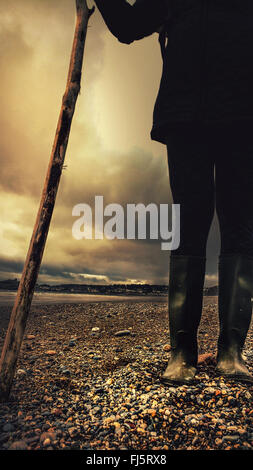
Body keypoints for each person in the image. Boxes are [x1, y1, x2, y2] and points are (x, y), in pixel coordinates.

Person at [93, 0, 253, 385]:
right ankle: (182, 352)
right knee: (188, 224)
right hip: (185, 117)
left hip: (244, 116)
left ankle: (232, 351)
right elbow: (128, 25)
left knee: (240, 224)